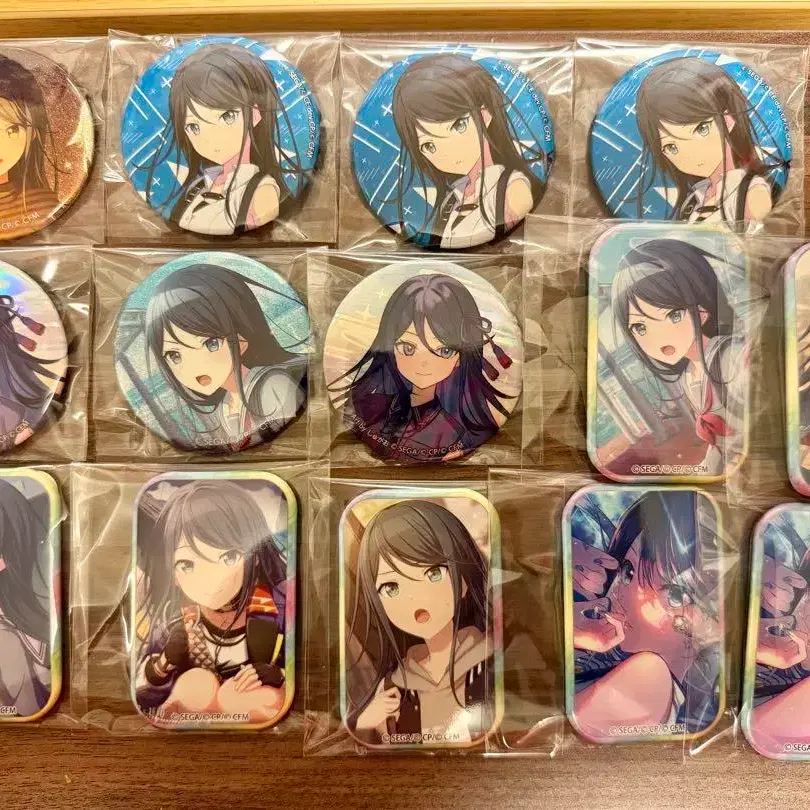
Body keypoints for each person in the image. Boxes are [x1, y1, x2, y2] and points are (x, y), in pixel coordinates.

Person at [135, 480, 288, 725]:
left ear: (256, 558)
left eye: (229, 557)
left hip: (256, 712)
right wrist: (165, 662)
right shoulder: (176, 618)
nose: (209, 578)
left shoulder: (275, 607)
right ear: (171, 572)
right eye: (187, 565)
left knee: (246, 696)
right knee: (196, 682)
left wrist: (277, 674)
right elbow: (145, 682)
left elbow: (302, 667)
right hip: (190, 716)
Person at [346, 500, 494, 746]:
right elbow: (388, 746)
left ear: (463, 581)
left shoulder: (490, 661)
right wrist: (364, 722)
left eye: (433, 573)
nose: (415, 599)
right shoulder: (396, 683)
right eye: (391, 587)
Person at [329, 273, 514, 463]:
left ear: (460, 357)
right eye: (408, 348)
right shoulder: (365, 406)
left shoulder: (451, 432)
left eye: (444, 350)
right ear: (390, 348)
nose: (424, 363)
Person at [143, 44, 306, 236]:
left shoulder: (261, 192)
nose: (210, 138)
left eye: (227, 116)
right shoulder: (197, 187)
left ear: (255, 113)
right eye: (193, 126)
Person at [391, 53, 549, 248]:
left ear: (485, 115)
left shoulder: (512, 190)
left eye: (459, 126)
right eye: (429, 145)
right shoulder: (451, 200)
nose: (448, 151)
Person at [144, 263, 307, 451]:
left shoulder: (273, 385)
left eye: (211, 343)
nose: (194, 366)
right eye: (174, 355)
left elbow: (289, 441)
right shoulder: (226, 406)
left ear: (242, 339)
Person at [635, 57, 786, 229]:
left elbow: (756, 240)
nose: (690, 154)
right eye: (671, 147)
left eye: (701, 129)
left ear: (729, 119)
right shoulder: (693, 201)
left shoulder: (752, 193)